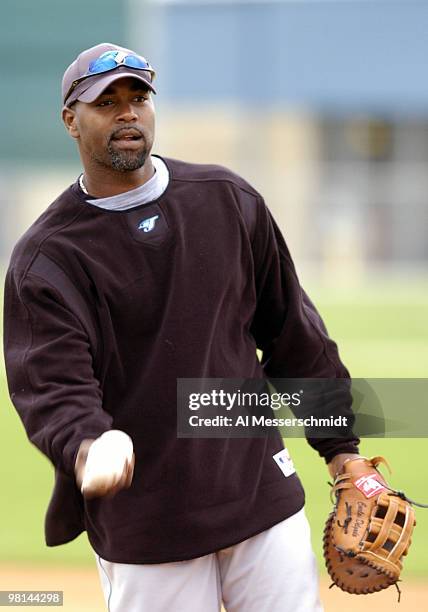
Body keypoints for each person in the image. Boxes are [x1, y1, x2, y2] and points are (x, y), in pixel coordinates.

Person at [3, 42, 360, 612]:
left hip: (258, 499)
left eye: (138, 96)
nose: (127, 113)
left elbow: (294, 334)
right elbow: (52, 385)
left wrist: (342, 449)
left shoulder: (227, 200)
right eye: (106, 102)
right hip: (148, 525)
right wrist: (86, 445)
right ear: (71, 119)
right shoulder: (48, 258)